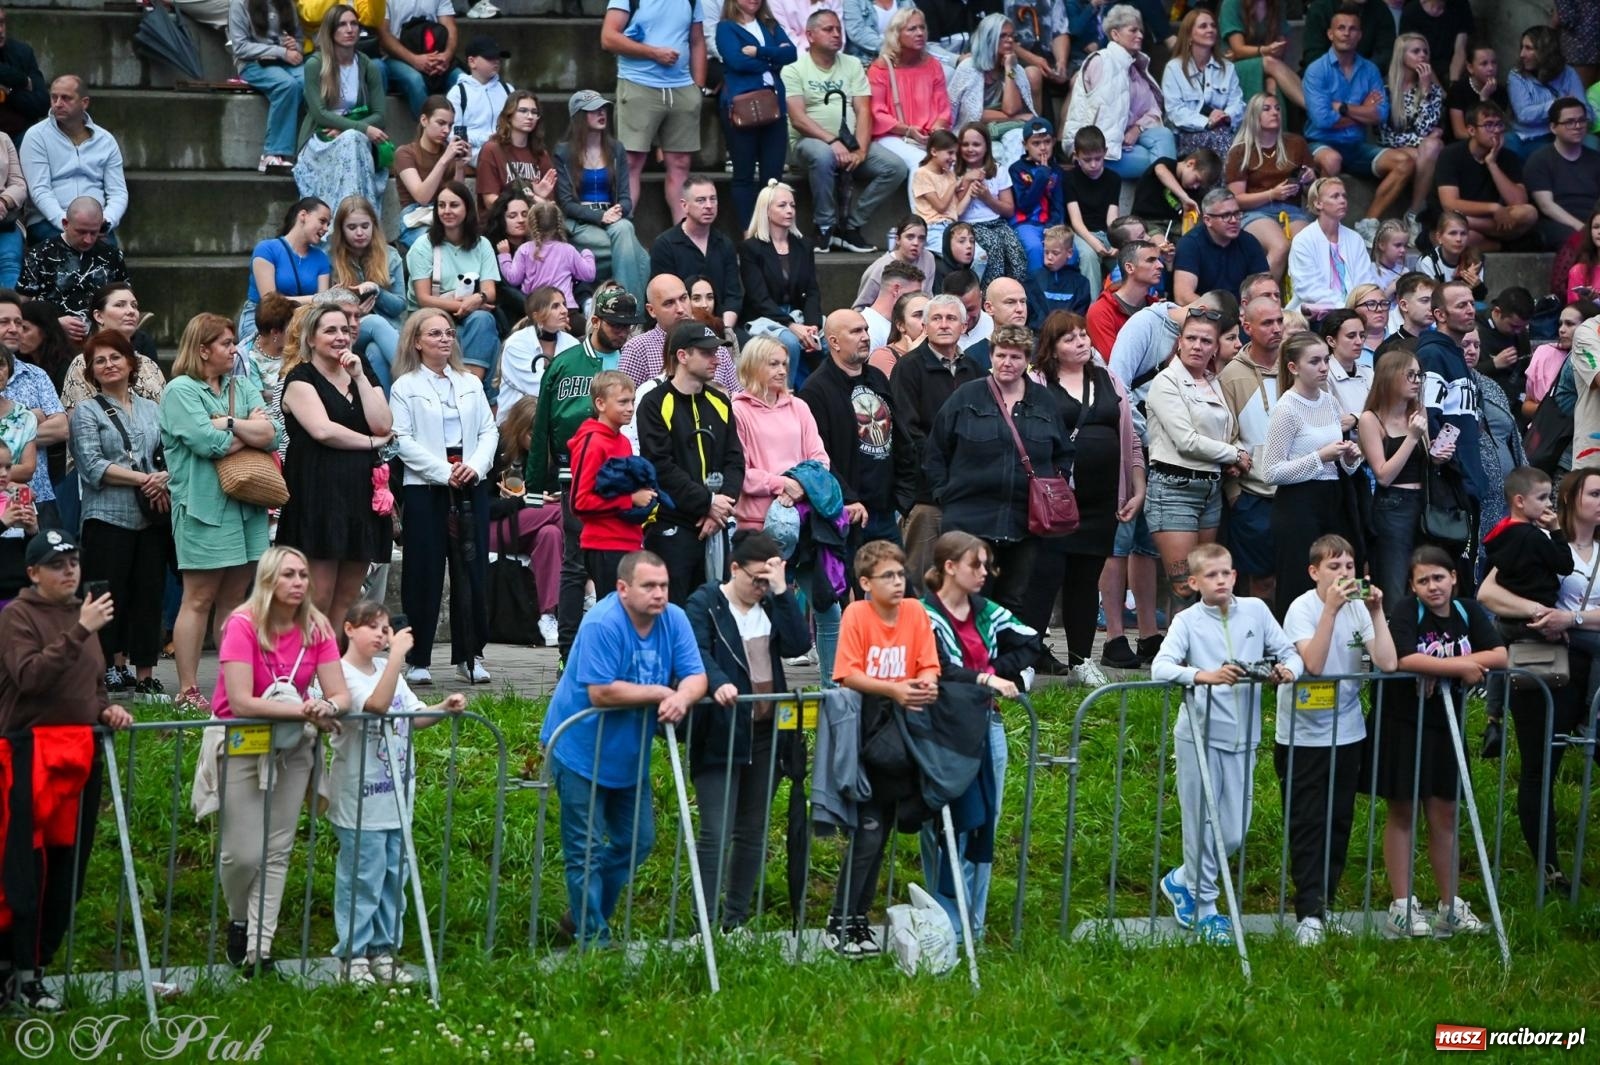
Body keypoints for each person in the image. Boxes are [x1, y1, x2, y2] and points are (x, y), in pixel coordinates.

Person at [540, 549, 705, 946]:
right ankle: (593, 937)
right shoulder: (602, 622)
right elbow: (601, 692)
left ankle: (584, 912)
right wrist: (662, 690)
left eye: (663, 585)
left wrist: (682, 698)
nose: (660, 594)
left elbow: (696, 675)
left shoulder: (674, 619)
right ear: (622, 588)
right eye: (649, 586)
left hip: (629, 754)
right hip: (578, 748)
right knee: (585, 850)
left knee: (637, 842)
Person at [196, 546, 348, 975]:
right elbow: (241, 700)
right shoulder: (241, 625)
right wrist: (307, 710)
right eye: (289, 575)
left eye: (303, 574)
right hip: (242, 740)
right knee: (242, 854)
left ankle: (258, 951)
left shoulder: (316, 627)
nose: (300, 582)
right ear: (268, 581)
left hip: (293, 745)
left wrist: (329, 708)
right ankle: (238, 920)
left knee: (277, 850)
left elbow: (338, 692)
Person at [0, 529, 133, 1013]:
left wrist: (105, 711)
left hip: (78, 756)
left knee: (66, 873)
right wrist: (79, 629)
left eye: (73, 560)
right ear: (33, 573)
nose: (70, 570)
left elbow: (90, 686)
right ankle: (12, 972)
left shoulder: (85, 615)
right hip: (28, 756)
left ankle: (36, 970)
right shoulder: (18, 617)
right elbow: (30, 677)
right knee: (23, 873)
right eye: (57, 564)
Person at [1152, 542, 1301, 946]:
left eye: (1227, 574)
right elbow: (1161, 667)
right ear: (1194, 582)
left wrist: (1288, 669)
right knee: (1202, 824)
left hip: (1245, 735)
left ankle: (1181, 879)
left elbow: (1287, 650)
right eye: (1212, 576)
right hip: (1199, 735)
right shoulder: (1186, 622)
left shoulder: (1255, 611)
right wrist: (1203, 676)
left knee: (1233, 831)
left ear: (1235, 576)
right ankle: (1205, 909)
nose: (1221, 581)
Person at [326, 601, 465, 985]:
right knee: (362, 877)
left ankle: (383, 950)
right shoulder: (343, 675)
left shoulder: (390, 675)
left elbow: (411, 715)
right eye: (372, 626)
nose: (382, 635)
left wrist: (442, 707)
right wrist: (396, 661)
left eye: (386, 629)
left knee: (392, 876)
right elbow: (374, 707)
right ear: (349, 628)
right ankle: (352, 954)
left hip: (396, 798)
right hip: (360, 798)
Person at [1477, 467, 1600, 889]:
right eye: (1596, 493)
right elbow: (1488, 594)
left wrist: (1574, 616)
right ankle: (1550, 868)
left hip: (1593, 664)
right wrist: (1539, 613)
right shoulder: (1535, 538)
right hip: (1547, 661)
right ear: (1570, 500)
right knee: (1539, 766)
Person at [1374, 544, 1502, 938]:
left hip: (1446, 726)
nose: (1433, 587)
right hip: (1402, 722)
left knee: (1445, 812)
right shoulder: (1405, 612)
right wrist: (1459, 666)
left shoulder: (1468, 611)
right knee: (1403, 810)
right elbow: (1402, 657)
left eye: (1439, 578)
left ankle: (1450, 905)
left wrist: (1450, 668)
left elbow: (1499, 653)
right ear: (1412, 586)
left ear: (1453, 578)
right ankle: (1402, 905)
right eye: (1424, 580)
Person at [1274, 534, 1397, 945]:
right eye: (1333, 567)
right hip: (1303, 735)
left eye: (1348, 567)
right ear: (1314, 572)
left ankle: (1323, 906)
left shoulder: (1360, 607)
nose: (1343, 575)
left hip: (1347, 731)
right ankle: (1307, 913)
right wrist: (1330, 609)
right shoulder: (1302, 608)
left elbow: (1387, 662)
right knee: (1308, 822)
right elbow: (1313, 662)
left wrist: (1377, 612)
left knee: (1339, 821)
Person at [682, 530, 807, 932]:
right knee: (716, 832)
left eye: (767, 580)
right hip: (720, 729)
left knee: (753, 831)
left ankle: (734, 921)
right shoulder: (706, 602)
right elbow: (694, 650)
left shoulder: (772, 603)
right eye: (755, 579)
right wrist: (717, 681)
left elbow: (797, 644)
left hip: (768, 733)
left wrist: (783, 592)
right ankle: (704, 922)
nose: (760, 587)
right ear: (733, 568)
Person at [160, 313, 284, 714]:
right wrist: (245, 434)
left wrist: (230, 423)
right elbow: (205, 442)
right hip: (202, 508)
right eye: (227, 343)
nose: (235, 349)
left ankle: (232, 686)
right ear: (202, 349)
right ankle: (187, 689)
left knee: (235, 597)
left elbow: (274, 435)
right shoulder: (180, 390)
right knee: (198, 598)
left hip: (246, 507)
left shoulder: (240, 385)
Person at [918, 530, 1038, 937]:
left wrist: (995, 674)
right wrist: (985, 680)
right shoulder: (923, 614)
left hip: (986, 724)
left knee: (985, 820)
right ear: (949, 567)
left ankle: (974, 926)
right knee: (940, 823)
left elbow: (1030, 642)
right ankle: (942, 921)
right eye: (976, 564)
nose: (985, 572)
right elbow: (941, 669)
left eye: (987, 564)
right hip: (940, 729)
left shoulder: (986, 610)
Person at [825, 539, 940, 956]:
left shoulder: (914, 611)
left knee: (884, 830)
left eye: (900, 573)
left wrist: (926, 680)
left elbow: (928, 661)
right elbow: (847, 673)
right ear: (865, 582)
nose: (898, 582)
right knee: (868, 832)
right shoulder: (856, 613)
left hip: (906, 731)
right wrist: (894, 689)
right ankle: (839, 920)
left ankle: (859, 920)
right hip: (867, 728)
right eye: (888, 576)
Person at [1025, 312, 1144, 682]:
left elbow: (1132, 438)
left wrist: (1137, 486)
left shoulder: (1108, 379)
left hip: (1102, 500)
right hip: (1055, 501)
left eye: (1083, 335)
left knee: (1086, 579)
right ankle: (1027, 659)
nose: (1081, 342)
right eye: (1069, 338)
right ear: (1052, 347)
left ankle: (1080, 660)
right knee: (1044, 579)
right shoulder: (1037, 382)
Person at [524, 289, 642, 657]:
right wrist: (534, 483)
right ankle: (569, 650)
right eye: (614, 324)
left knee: (621, 565)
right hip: (574, 472)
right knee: (576, 565)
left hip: (630, 469)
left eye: (627, 325)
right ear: (595, 321)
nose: (621, 332)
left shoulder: (634, 358)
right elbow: (542, 420)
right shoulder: (566, 363)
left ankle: (615, 646)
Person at [925, 323, 1071, 615]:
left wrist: (1050, 490)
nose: (1007, 363)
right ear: (990, 356)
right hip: (970, 518)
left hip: (1025, 520)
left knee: (1014, 600)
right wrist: (946, 494)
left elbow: (1064, 453)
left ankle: (1008, 661)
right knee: (967, 598)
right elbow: (935, 451)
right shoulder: (966, 397)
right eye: (1001, 355)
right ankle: (967, 659)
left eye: (1015, 357)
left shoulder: (1044, 402)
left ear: (1027, 360)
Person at [390, 307, 499, 686]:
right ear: (417, 342)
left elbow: (489, 431)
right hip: (425, 487)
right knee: (424, 570)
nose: (444, 339)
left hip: (471, 480)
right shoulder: (405, 387)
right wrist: (442, 471)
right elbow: (401, 440)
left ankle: (471, 654)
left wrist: (476, 466)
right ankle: (418, 658)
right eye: (435, 333)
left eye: (449, 333)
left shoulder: (469, 382)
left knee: (472, 569)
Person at [276, 301, 392, 634]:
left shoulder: (362, 370)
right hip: (319, 496)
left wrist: (358, 376)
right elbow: (323, 431)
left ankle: (334, 674)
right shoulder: (300, 378)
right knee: (319, 595)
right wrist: (371, 443)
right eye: (330, 330)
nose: (341, 336)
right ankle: (307, 673)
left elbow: (383, 423)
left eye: (345, 329)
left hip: (359, 495)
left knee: (348, 596)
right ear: (311, 338)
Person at [68, 330, 169, 697]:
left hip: (151, 517)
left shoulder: (153, 408)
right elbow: (92, 465)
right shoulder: (85, 411)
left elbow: (169, 454)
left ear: (131, 362)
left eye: (115, 357)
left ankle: (145, 673)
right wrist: (145, 479)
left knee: (149, 593)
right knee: (108, 595)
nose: (109, 365)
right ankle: (112, 667)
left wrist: (164, 478)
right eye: (100, 361)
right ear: (92, 372)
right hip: (105, 516)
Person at [636, 322, 746, 605]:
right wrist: (706, 502)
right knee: (671, 610)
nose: (716, 359)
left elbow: (735, 460)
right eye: (706, 353)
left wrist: (719, 507)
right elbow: (660, 465)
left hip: (716, 523)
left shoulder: (720, 401)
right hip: (671, 523)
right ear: (682, 356)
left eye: (717, 352)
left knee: (711, 613)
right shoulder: (654, 402)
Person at [1262, 331, 1367, 613]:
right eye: (1315, 361)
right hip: (1298, 504)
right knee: (1299, 581)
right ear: (1293, 367)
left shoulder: (1330, 401)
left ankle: (1347, 643)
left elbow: (1340, 462)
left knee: (1342, 573)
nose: (1323, 367)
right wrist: (1320, 456)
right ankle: (1297, 649)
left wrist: (1350, 457)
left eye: (1326, 360)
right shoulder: (1286, 409)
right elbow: (1271, 471)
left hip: (1335, 497)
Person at [783, 9, 901, 254]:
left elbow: (864, 110)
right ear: (810, 35)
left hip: (850, 143)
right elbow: (798, 119)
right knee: (824, 154)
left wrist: (860, 148)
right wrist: (832, 141)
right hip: (808, 144)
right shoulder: (793, 69)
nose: (836, 34)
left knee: (895, 168)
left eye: (838, 29)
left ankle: (849, 226)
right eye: (828, 29)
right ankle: (824, 225)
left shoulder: (853, 64)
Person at [1143, 309, 1241, 604]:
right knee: (1185, 586)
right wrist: (1233, 454)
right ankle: (1174, 651)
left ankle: (1200, 651)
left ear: (1215, 347)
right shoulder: (1166, 381)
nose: (1198, 345)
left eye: (1206, 341)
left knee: (1204, 586)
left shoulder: (1214, 380)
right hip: (1174, 488)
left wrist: (1229, 458)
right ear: (1180, 342)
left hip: (1210, 488)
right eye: (1191, 338)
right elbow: (1186, 441)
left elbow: (1224, 431)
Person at [1302, 7, 1415, 243]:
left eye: (1352, 28)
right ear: (1330, 34)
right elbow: (1322, 119)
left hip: (1356, 144)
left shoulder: (1370, 69)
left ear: (1360, 35)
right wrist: (1363, 110)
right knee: (1332, 160)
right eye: (1341, 28)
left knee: (1404, 162)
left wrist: (1342, 108)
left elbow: (1381, 115)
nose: (1347, 33)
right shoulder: (1316, 70)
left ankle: (1368, 223)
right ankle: (1328, 226)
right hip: (1321, 142)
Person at [892, 294, 981, 591]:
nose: (944, 325)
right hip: (926, 493)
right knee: (920, 580)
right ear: (925, 326)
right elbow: (907, 430)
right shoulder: (909, 368)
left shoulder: (975, 370)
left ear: (964, 325)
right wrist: (942, 472)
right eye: (937, 318)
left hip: (968, 492)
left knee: (962, 584)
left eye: (951, 318)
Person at [800, 308, 907, 545]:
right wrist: (846, 498)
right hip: (849, 513)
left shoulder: (877, 378)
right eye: (856, 331)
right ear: (834, 342)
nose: (866, 336)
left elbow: (900, 436)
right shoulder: (815, 390)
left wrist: (902, 494)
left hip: (886, 510)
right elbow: (819, 455)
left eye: (866, 329)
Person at [601, 0, 708, 219]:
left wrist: (698, 88)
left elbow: (697, 41)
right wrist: (654, 53)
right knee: (630, 162)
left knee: (681, 163)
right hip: (638, 83)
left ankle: (683, 238)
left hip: (682, 87)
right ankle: (624, 232)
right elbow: (608, 38)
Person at [404, 180, 502, 396]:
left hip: (470, 313)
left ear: (467, 208)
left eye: (454, 205)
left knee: (483, 320)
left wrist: (478, 298)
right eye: (441, 205)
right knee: (477, 323)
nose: (446, 211)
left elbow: (490, 292)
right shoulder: (424, 245)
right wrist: (465, 304)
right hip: (429, 313)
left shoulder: (482, 244)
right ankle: (476, 393)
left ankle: (470, 390)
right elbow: (423, 298)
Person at [292, 5, 389, 220]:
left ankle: (356, 221)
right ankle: (346, 221)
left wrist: (346, 128)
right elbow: (319, 114)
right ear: (330, 30)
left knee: (352, 139)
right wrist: (362, 127)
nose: (350, 29)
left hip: (352, 139)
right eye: (342, 25)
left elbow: (380, 115)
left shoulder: (367, 66)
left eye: (354, 24)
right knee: (353, 138)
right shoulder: (315, 64)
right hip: (320, 138)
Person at [554, 91, 652, 302]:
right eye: (594, 110)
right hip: (580, 223)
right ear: (579, 116)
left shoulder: (616, 149)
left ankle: (623, 309)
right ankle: (633, 314)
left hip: (613, 218)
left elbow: (625, 197)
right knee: (640, 257)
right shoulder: (563, 152)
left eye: (603, 108)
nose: (602, 113)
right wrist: (599, 217)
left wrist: (619, 210)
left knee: (625, 228)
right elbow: (566, 203)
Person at [1219, 296, 1286, 601]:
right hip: (1254, 494)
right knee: (1261, 583)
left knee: (1301, 579)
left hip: (1299, 489)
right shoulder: (1231, 376)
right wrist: (1235, 496)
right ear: (1247, 327)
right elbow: (1225, 438)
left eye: (1280, 321)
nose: (1276, 329)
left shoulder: (1297, 364)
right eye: (1267, 323)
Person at [1062, 5, 1174, 181]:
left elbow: (1154, 111)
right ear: (1115, 35)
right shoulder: (1102, 62)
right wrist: (1121, 138)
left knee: (1164, 135)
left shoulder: (1137, 67)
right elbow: (1101, 120)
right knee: (1163, 162)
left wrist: (1137, 129)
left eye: (1141, 31)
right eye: (1133, 30)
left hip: (1130, 144)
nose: (1140, 35)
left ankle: (1162, 192)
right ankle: (1165, 196)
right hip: (1097, 152)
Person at [569, 369, 655, 598]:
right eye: (623, 402)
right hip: (604, 544)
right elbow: (580, 503)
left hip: (629, 540)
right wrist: (631, 500)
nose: (630, 408)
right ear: (600, 403)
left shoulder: (624, 442)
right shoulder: (593, 442)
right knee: (615, 612)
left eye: (632, 401)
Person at [716, 0, 797, 229]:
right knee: (743, 174)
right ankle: (748, 233)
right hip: (743, 106)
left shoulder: (769, 24)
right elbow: (737, 61)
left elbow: (791, 54)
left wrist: (759, 52)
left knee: (773, 177)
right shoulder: (726, 27)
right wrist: (773, 57)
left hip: (774, 106)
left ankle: (772, 231)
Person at [488, 397, 563, 647]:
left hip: (533, 526)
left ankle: (547, 615)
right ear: (519, 428)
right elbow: (484, 508)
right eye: (532, 432)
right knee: (563, 512)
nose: (538, 438)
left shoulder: (547, 454)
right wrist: (521, 501)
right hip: (495, 526)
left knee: (551, 534)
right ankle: (586, 584)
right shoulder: (496, 450)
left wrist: (539, 499)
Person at [20, 76, 127, 241]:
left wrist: (106, 220)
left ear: (84, 103)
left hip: (94, 224)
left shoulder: (105, 140)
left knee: (107, 262)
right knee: (67, 260)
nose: (57, 103)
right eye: (54, 97)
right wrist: (66, 223)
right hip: (49, 222)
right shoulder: (36, 136)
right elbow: (40, 190)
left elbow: (118, 192)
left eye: (66, 98)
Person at [738, 181, 823, 384]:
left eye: (792, 205)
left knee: (830, 338)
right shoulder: (751, 248)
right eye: (782, 205)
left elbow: (812, 291)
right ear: (766, 211)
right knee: (789, 343)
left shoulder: (803, 245)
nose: (790, 210)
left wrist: (812, 326)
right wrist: (792, 325)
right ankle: (785, 396)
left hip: (799, 316)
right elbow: (759, 298)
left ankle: (824, 398)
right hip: (764, 318)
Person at [1426, 102, 1538, 252]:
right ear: (1472, 130)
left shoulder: (1508, 157)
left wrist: (1492, 164)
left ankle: (1475, 229)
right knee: (1465, 236)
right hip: (1460, 219)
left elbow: (1518, 201)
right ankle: (1502, 246)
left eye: (1499, 125)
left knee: (1529, 213)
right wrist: (1493, 208)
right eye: (1489, 125)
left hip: (1491, 220)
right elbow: (1450, 204)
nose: (1496, 130)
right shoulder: (1451, 155)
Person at [17, 196, 128, 342]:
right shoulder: (41, 254)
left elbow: (124, 298)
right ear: (65, 223)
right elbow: (21, 305)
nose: (87, 239)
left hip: (101, 337)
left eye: (94, 232)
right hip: (54, 339)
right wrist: (53, 324)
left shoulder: (112, 256)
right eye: (81, 232)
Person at [328, 195, 405, 391]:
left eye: (365, 226)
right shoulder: (331, 259)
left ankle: (388, 416)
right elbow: (324, 308)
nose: (360, 232)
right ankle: (416, 377)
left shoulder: (390, 256)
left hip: (389, 332)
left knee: (375, 351)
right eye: (352, 228)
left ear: (374, 225)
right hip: (346, 331)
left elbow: (399, 306)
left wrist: (376, 291)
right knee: (374, 322)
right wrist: (353, 312)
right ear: (341, 230)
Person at [650, 176, 744, 334]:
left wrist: (724, 329)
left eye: (713, 199)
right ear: (684, 205)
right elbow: (664, 298)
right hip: (679, 329)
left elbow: (733, 296)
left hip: (721, 325)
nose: (709, 206)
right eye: (701, 200)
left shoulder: (725, 244)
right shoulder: (665, 245)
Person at [621, 273, 741, 394]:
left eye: (683, 298)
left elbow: (737, 400)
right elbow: (623, 403)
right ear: (651, 310)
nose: (680, 309)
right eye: (669, 303)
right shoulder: (637, 349)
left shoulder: (717, 347)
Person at [865, 6, 951, 172]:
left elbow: (943, 109)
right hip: (893, 135)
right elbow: (877, 113)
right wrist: (908, 130)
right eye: (912, 29)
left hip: (928, 136)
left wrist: (938, 129)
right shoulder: (881, 68)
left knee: (956, 161)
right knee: (921, 163)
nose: (920, 33)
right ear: (897, 34)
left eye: (922, 27)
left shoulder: (933, 65)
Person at [242, 195, 333, 351]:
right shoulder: (266, 249)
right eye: (322, 221)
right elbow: (269, 303)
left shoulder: (321, 259)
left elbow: (321, 305)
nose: (326, 229)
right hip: (263, 322)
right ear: (303, 215)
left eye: (328, 224)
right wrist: (314, 299)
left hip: (301, 322)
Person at [229, 0, 306, 174]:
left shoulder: (288, 5)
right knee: (287, 85)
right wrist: (281, 52)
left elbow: (300, 42)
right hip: (253, 63)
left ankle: (310, 149)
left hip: (286, 61)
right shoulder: (240, 4)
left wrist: (295, 46)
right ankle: (273, 153)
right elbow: (240, 47)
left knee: (309, 82)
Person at [1380, 33, 1445, 237]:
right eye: (1415, 51)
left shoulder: (1431, 90)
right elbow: (1385, 134)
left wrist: (1425, 91)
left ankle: (1414, 213)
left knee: (1432, 145)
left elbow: (1424, 129)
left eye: (1425, 51)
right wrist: (1419, 140)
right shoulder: (1385, 88)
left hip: (1421, 151)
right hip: (1391, 149)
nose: (1422, 55)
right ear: (1401, 55)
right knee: (1430, 145)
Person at [1286, 177, 1380, 316]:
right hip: (1317, 314)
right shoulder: (1303, 240)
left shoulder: (1355, 239)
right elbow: (1308, 287)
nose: (1342, 200)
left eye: (1344, 196)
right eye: (1335, 196)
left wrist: (1359, 306)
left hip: (1356, 312)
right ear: (1318, 203)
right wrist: (1343, 308)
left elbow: (1365, 280)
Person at [1162, 9, 1244, 156]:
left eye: (1213, 26)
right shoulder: (1173, 68)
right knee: (1221, 139)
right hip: (1185, 134)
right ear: (1189, 35)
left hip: (1222, 130)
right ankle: (1230, 180)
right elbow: (1175, 111)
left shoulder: (1228, 67)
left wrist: (1225, 117)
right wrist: (1207, 122)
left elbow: (1237, 103)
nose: (1210, 29)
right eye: (1203, 26)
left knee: (1230, 139)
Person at [954, 124, 1027, 286]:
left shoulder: (998, 171)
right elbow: (953, 209)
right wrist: (966, 180)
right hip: (970, 224)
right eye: (965, 144)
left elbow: (1009, 210)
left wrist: (988, 198)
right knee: (994, 247)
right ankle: (990, 295)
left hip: (997, 222)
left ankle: (1015, 293)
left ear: (987, 146)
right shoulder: (955, 171)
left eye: (976, 144)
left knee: (1015, 249)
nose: (970, 149)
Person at [393, 96, 469, 252]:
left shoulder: (449, 153)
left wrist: (460, 166)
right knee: (434, 244)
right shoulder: (405, 153)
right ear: (424, 120)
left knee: (472, 240)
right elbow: (422, 197)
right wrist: (444, 160)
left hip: (446, 214)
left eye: (450, 125)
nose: (446, 130)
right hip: (416, 219)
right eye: (441, 123)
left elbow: (457, 197)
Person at [1525, 98, 1600, 252]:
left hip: (1593, 219)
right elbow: (1547, 206)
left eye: (1581, 120)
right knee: (1579, 242)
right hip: (1557, 222)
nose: (1577, 126)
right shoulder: (1540, 160)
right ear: (1553, 127)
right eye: (1570, 122)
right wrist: (1581, 227)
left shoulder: (1596, 159)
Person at [1172, 188, 1269, 307]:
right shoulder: (1190, 244)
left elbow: (1265, 287)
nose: (1234, 220)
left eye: (1237, 214)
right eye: (1226, 215)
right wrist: (1225, 313)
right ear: (1207, 220)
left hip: (1242, 314)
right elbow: (1183, 297)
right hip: (1202, 316)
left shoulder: (1249, 242)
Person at [1507, 26, 1596, 153]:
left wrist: (1573, 117)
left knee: (1592, 143)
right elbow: (1524, 115)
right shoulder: (1516, 76)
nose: (1522, 54)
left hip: (1566, 132)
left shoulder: (1568, 73)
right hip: (1533, 136)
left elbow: (1587, 113)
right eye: (1522, 47)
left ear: (1544, 51)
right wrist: (1559, 105)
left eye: (1528, 48)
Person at [497, 286, 580, 422]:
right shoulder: (516, 344)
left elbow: (576, 386)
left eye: (564, 304)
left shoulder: (572, 344)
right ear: (537, 316)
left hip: (558, 418)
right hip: (516, 425)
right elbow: (538, 389)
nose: (564, 311)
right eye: (555, 306)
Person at [947, 13, 1039, 133]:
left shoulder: (1014, 69)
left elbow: (1012, 109)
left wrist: (1009, 69)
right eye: (1003, 36)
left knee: (1017, 138)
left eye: (1012, 36)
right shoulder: (968, 67)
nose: (1010, 40)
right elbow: (973, 114)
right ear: (988, 39)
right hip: (973, 132)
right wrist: (1016, 118)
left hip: (1005, 128)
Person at [499, 202, 596, 310]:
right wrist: (587, 253)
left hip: (539, 311)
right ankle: (588, 306)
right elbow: (589, 275)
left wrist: (504, 256)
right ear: (559, 224)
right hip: (566, 308)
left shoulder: (524, 250)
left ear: (531, 224)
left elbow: (513, 279)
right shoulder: (568, 250)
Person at [376, 0, 462, 117]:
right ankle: (427, 132)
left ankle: (460, 132)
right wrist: (415, 60)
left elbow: (450, 27)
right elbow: (384, 35)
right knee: (415, 80)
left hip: (436, 57)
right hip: (396, 58)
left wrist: (447, 55)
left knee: (462, 80)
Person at [476, 90, 557, 212]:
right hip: (500, 224)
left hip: (534, 225)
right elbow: (490, 201)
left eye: (534, 112)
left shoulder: (541, 154)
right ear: (509, 115)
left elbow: (550, 206)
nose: (530, 117)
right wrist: (533, 197)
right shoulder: (491, 150)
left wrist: (540, 197)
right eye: (523, 111)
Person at [1218, 0, 1304, 112]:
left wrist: (1278, 48)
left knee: (1272, 83)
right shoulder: (1232, 4)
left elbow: (1280, 44)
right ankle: (1315, 107)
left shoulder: (1277, 4)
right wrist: (1265, 50)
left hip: (1266, 64)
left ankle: (1277, 127)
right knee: (1270, 62)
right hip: (1233, 66)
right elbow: (1238, 50)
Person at [1008, 117, 1068, 273]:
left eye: (1047, 142)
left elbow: (1058, 204)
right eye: (1036, 143)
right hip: (1025, 224)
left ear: (1054, 142)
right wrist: (1041, 176)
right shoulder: (1016, 170)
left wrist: (1052, 227)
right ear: (1025, 145)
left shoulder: (1056, 170)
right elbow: (1024, 205)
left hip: (1049, 225)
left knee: (1069, 253)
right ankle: (1036, 292)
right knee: (1035, 249)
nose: (1043, 148)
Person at [1086, 240, 1161, 358]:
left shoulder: (1157, 308)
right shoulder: (1101, 311)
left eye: (1159, 260)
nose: (1160, 266)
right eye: (1151, 260)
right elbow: (1115, 363)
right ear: (1130, 268)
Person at [452, 36, 513, 166]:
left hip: (506, 150)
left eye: (498, 58)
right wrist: (486, 139)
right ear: (472, 61)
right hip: (473, 153)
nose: (496, 61)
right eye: (489, 58)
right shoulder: (458, 92)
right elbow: (453, 132)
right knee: (491, 159)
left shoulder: (508, 90)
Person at [852, 215, 935, 307]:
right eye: (910, 237)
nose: (916, 243)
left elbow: (928, 296)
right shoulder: (880, 268)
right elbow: (860, 307)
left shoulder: (928, 259)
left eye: (921, 238)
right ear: (898, 239)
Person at [1525, 302, 1590, 417]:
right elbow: (1526, 406)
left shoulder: (1592, 360)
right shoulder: (1545, 353)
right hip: (1548, 429)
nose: (1561, 330)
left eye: (1569, 324)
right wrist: (1550, 410)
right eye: (1560, 324)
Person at [1298, 0, 1394, 76]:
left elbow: (1386, 54)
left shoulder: (1380, 9)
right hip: (1325, 77)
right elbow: (1313, 55)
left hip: (1366, 78)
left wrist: (1358, 74)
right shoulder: (1320, 8)